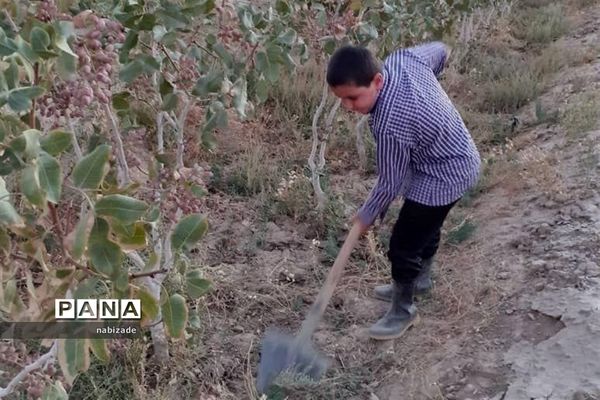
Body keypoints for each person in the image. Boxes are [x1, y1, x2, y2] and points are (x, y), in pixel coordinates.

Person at [326, 42, 481, 340]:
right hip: (452, 156)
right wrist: (431, 89)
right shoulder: (402, 59)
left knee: (404, 243)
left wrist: (365, 216)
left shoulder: (390, 123)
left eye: (353, 98)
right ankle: (420, 280)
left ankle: (403, 311)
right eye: (341, 99)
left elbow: (390, 183)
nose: (348, 106)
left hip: (446, 172)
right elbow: (441, 49)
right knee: (426, 226)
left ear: (377, 81)